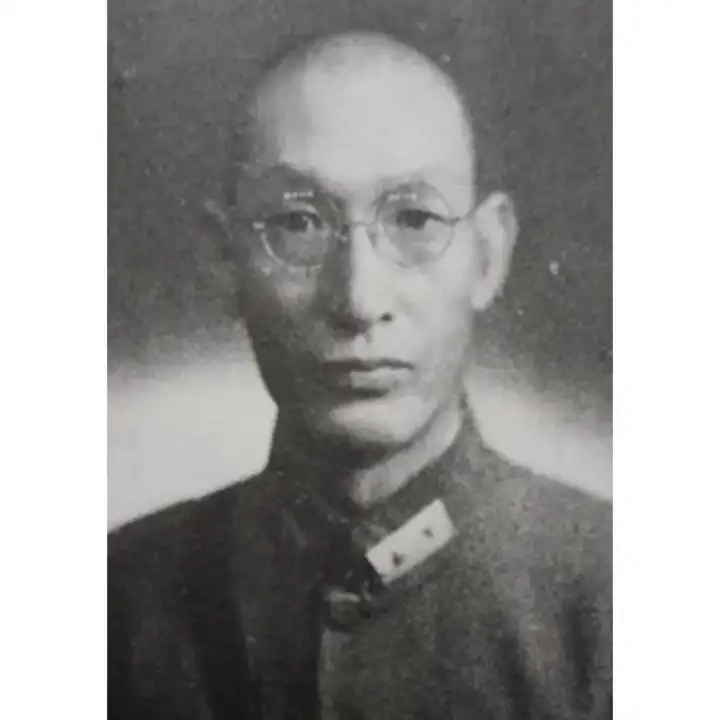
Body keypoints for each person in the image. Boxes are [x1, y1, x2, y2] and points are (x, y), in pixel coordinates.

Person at [108, 31, 612, 720]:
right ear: (226, 262)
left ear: (488, 255)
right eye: (298, 223)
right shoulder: (114, 606)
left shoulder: (621, 601)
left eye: (414, 218)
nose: (357, 300)